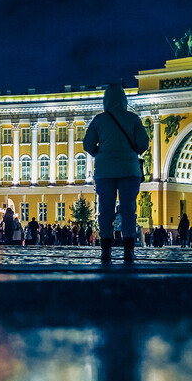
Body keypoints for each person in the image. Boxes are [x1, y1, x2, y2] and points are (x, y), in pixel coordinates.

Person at [83, 83, 149, 263]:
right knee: (129, 210)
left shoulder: (99, 120)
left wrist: (102, 154)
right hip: (129, 170)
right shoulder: (133, 119)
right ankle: (129, 250)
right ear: (123, 100)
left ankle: (106, 249)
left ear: (106, 100)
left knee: (105, 210)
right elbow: (143, 144)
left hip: (105, 172)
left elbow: (87, 145)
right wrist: (130, 151)